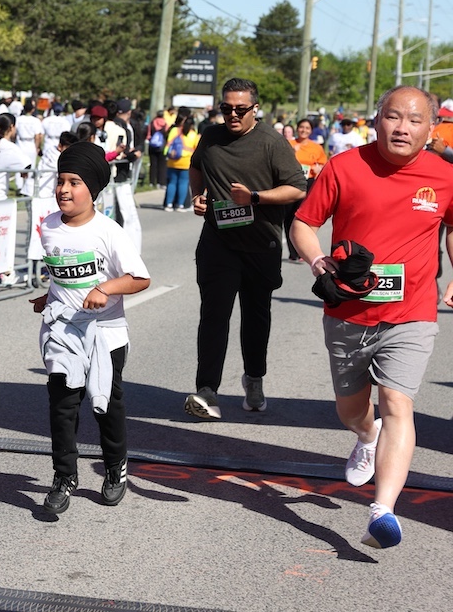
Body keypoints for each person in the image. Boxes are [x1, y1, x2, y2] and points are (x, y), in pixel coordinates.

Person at [289, 86, 453, 549]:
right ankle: (366, 435)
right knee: (351, 410)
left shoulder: (444, 176)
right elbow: (303, 223)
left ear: (431, 129)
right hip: (348, 310)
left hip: (412, 312)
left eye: (414, 120)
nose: (402, 127)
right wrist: (318, 262)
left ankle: (383, 510)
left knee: (398, 402)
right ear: (377, 120)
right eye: (393, 116)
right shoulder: (345, 166)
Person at [31, 141, 150, 515]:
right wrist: (49, 297)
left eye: (74, 182)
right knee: (62, 406)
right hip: (64, 332)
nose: (64, 190)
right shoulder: (49, 227)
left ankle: (115, 467)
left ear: (93, 189)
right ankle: (64, 476)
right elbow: (62, 276)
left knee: (106, 406)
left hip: (105, 333)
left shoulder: (108, 232)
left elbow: (140, 278)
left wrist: (105, 288)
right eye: (60, 180)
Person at [183, 78, 307, 420]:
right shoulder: (211, 136)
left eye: (240, 109)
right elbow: (196, 167)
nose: (233, 115)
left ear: (255, 108)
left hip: (260, 244)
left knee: (255, 317)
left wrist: (254, 197)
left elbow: (297, 188)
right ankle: (207, 390)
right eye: (227, 108)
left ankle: (254, 379)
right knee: (213, 317)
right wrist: (197, 196)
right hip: (218, 243)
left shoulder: (271, 142)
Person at [283, 118, 326, 261]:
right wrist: (291, 152)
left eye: (307, 128)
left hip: (308, 183)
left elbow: (323, 164)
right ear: (297, 128)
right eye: (301, 127)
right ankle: (293, 252)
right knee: (289, 217)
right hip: (290, 183)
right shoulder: (288, 144)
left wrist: (319, 169)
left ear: (311, 130)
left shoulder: (316, 147)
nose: (304, 130)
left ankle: (302, 250)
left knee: (302, 217)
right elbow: (280, 163)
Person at [111, 99, 143, 253]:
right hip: (118, 171)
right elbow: (120, 150)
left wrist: (137, 151)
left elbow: (139, 141)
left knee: (124, 211)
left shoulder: (132, 125)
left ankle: (130, 247)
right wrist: (131, 155)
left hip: (125, 171)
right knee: (122, 211)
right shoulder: (118, 126)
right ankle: (127, 247)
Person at [163, 113, 199, 212]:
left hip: (172, 160)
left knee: (172, 182)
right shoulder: (193, 134)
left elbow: (168, 143)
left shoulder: (175, 130)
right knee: (183, 183)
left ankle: (169, 204)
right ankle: (180, 205)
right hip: (186, 162)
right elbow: (196, 148)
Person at [14, 101, 43, 196]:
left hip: (20, 143)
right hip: (30, 144)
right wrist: (37, 147)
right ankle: (27, 187)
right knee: (31, 166)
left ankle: (19, 186)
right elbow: (38, 136)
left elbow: (14, 133)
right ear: (33, 110)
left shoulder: (18, 119)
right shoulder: (35, 121)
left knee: (19, 166)